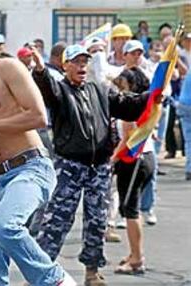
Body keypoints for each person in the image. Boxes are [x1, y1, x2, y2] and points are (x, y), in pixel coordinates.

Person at [0, 10, 75, 285]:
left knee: (5, 227)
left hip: (32, 167)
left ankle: (54, 280)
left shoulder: (8, 68)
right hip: (2, 175)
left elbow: (38, 117)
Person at [32, 44, 153, 286]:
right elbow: (46, 88)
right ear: (65, 66)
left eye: (84, 62)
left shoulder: (100, 90)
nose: (81, 67)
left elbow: (128, 106)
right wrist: (40, 71)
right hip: (69, 166)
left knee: (97, 221)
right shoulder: (60, 90)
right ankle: (39, 274)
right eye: (76, 62)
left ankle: (92, 272)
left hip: (99, 167)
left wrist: (153, 96)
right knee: (56, 221)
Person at [111, 67, 155, 275]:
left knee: (130, 210)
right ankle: (134, 252)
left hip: (134, 160)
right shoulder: (147, 103)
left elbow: (127, 138)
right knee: (132, 209)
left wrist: (112, 159)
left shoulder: (129, 106)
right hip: (148, 157)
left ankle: (137, 258)